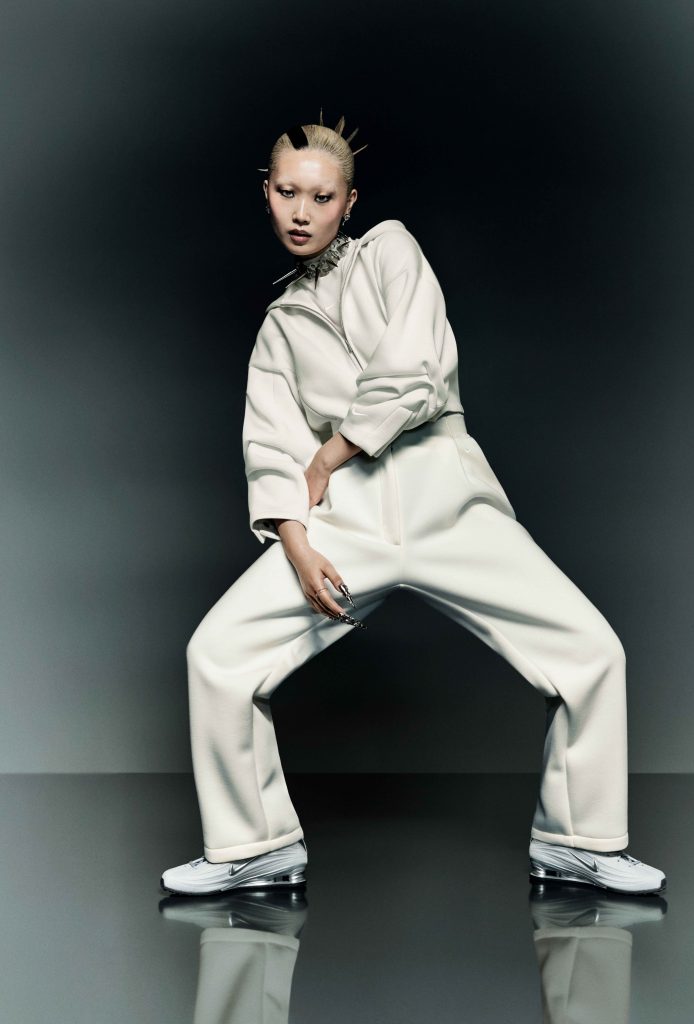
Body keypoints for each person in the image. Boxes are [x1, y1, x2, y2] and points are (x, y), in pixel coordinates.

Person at [161, 111, 666, 898]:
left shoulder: (391, 249)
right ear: (265, 194)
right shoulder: (277, 328)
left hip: (442, 492)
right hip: (347, 522)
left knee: (592, 652)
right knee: (217, 655)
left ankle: (578, 841)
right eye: (287, 193)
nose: (302, 212)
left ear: (348, 202)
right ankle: (252, 846)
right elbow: (269, 447)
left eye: (320, 197)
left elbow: (413, 372)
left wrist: (329, 453)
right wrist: (296, 544)